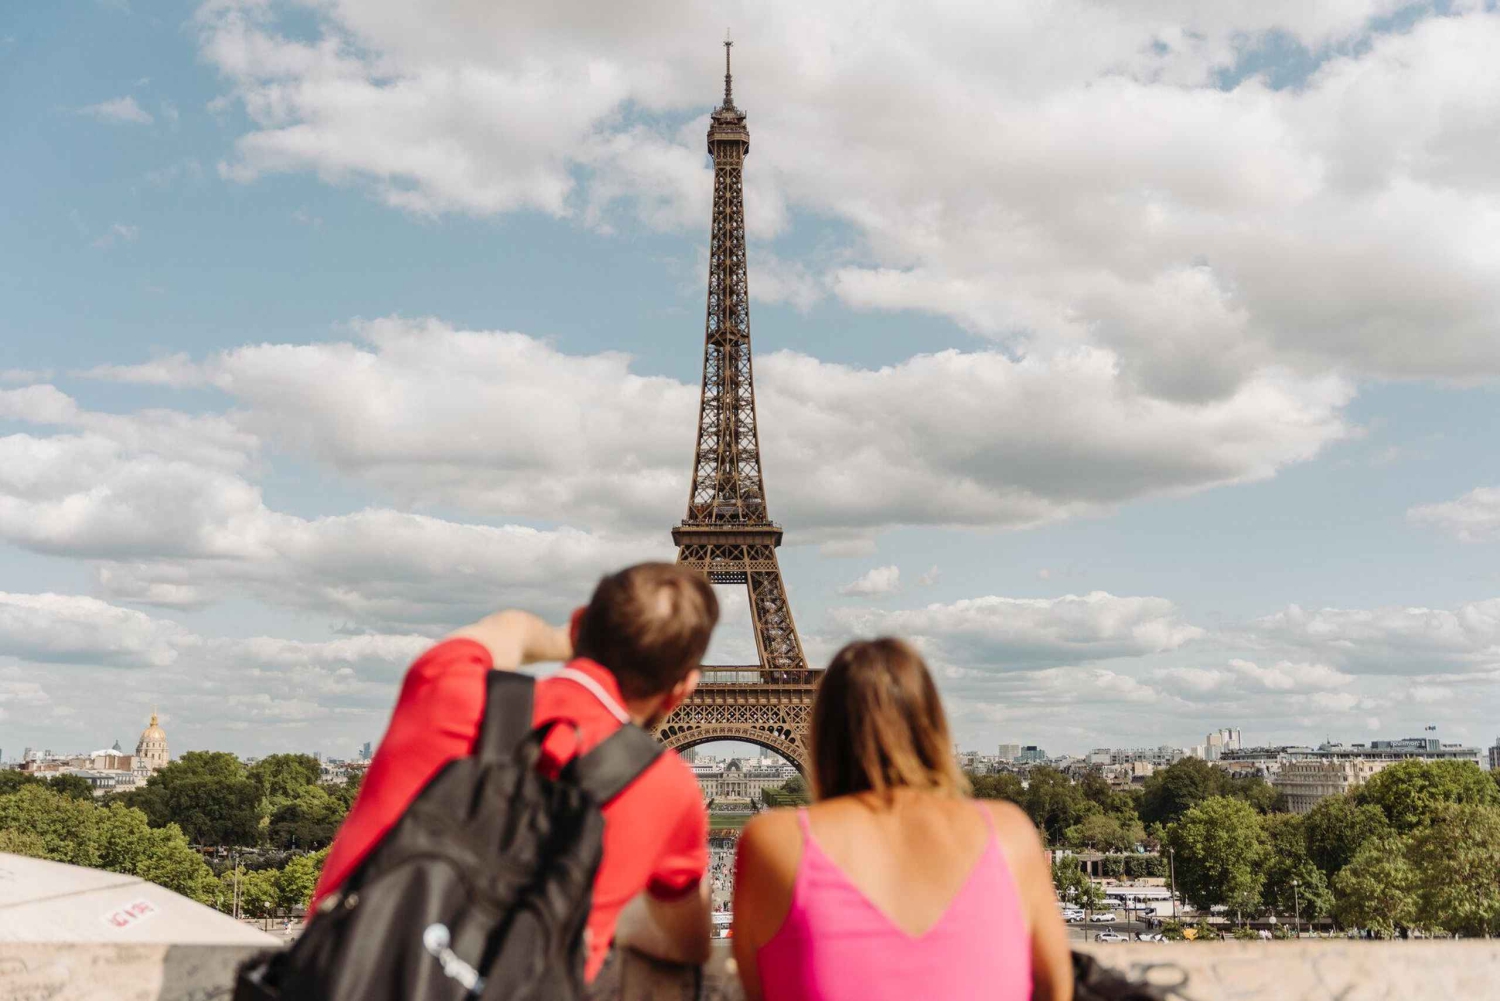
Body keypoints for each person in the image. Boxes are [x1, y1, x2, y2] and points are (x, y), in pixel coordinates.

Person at [312, 562, 718, 987]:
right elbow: (688, 944)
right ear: (680, 691)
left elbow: (513, 627)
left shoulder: (444, 683)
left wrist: (571, 640)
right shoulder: (668, 788)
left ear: (579, 625)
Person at [732, 638, 1073, 1001]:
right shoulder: (1010, 833)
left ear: (823, 731)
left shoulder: (773, 840)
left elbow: (761, 987)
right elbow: (1056, 986)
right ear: (933, 726)